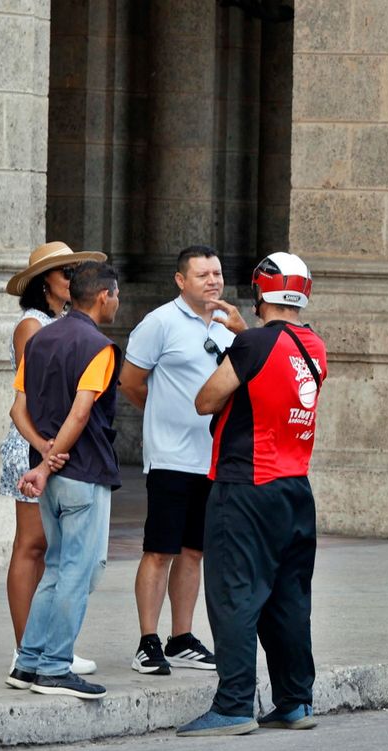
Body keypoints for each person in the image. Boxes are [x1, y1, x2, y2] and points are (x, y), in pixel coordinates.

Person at [178, 252, 327, 737]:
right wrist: (248, 338)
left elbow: (206, 399)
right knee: (288, 599)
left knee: (234, 594)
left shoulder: (253, 344)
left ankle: (235, 704)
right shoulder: (315, 347)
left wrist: (242, 342)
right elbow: (275, 367)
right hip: (294, 489)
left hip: (245, 487)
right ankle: (294, 701)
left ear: (261, 291)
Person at [119, 246, 246, 675]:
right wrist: (162, 416)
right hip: (171, 458)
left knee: (194, 552)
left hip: (212, 459)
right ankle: (147, 641)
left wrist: (243, 332)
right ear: (180, 280)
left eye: (217, 273)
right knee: (160, 550)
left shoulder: (230, 327)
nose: (212, 281)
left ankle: (181, 638)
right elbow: (131, 382)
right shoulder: (160, 323)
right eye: (202, 275)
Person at [6, 261, 123, 700]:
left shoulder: (39, 339)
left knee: (56, 568)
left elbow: (18, 409)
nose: (117, 302)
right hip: (82, 472)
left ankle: (29, 661)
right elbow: (81, 412)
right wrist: (50, 460)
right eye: (117, 295)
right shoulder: (99, 346)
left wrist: (41, 454)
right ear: (103, 296)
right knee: (77, 571)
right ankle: (55, 666)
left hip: (52, 476)